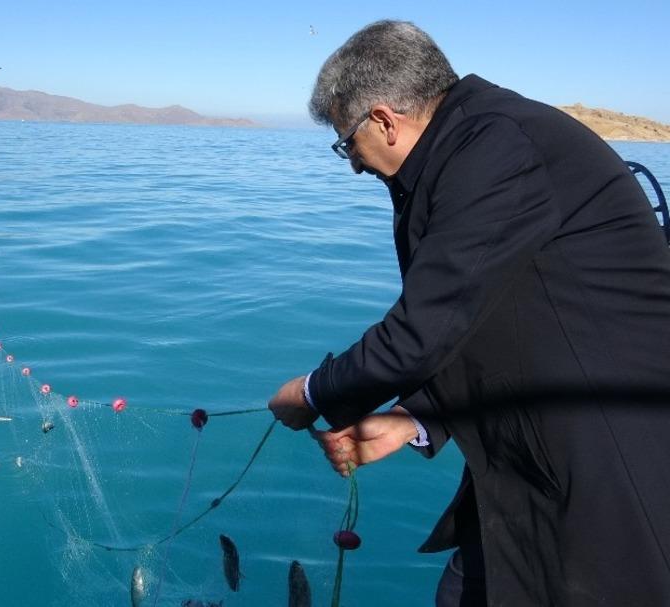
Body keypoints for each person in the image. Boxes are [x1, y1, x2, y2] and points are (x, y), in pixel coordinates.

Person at [267, 20, 670, 607]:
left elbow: (425, 328)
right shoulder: (459, 151)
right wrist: (417, 416)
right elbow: (489, 315)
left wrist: (311, 394)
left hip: (605, 460)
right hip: (523, 459)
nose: (351, 161)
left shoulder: (496, 148)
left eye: (346, 141)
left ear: (383, 119)